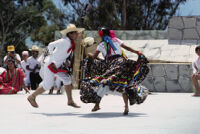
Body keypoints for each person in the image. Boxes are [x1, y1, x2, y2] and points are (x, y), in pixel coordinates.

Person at [80, 27, 149, 115]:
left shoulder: (101, 45)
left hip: (112, 65)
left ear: (102, 34)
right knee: (124, 85)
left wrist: (89, 54)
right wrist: (137, 52)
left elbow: (93, 57)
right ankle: (126, 107)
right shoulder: (116, 40)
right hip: (121, 63)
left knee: (104, 83)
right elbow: (127, 47)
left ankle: (97, 105)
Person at [27, 24, 84, 108]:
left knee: (66, 79)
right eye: (76, 33)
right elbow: (50, 45)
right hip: (51, 64)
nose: (77, 35)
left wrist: (64, 61)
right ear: (70, 34)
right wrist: (51, 57)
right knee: (48, 85)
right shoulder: (64, 41)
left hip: (57, 65)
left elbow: (62, 54)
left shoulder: (69, 42)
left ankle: (70, 100)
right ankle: (32, 97)